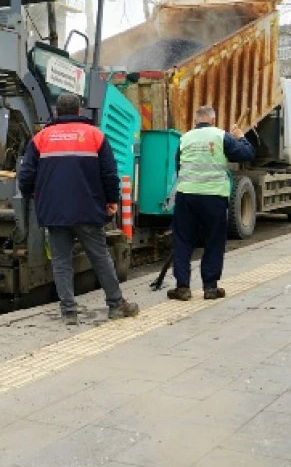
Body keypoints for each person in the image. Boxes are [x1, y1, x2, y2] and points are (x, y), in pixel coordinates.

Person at [17, 93, 140, 325]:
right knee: (100, 257)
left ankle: (69, 312)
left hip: (54, 211)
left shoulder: (41, 138)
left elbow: (25, 175)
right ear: (79, 111)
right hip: (88, 209)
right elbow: (109, 173)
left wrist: (31, 194)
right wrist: (112, 200)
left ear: (56, 112)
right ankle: (116, 304)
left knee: (61, 261)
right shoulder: (95, 135)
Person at [166, 106, 255, 302]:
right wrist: (240, 137)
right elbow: (247, 153)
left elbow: (178, 166)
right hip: (214, 197)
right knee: (214, 240)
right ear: (213, 120)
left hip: (187, 195)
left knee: (183, 240)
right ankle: (210, 288)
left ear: (195, 121)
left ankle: (182, 288)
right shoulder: (222, 137)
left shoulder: (185, 138)